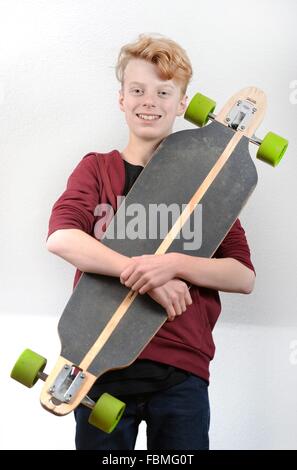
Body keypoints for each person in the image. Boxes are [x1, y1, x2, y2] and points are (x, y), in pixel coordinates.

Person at [46, 33, 256, 450]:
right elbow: (62, 238)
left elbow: (243, 275)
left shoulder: (207, 188)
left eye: (164, 92)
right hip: (96, 364)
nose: (149, 101)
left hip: (180, 370)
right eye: (138, 90)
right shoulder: (98, 170)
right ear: (121, 99)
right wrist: (144, 274)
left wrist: (172, 265)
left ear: (183, 105)